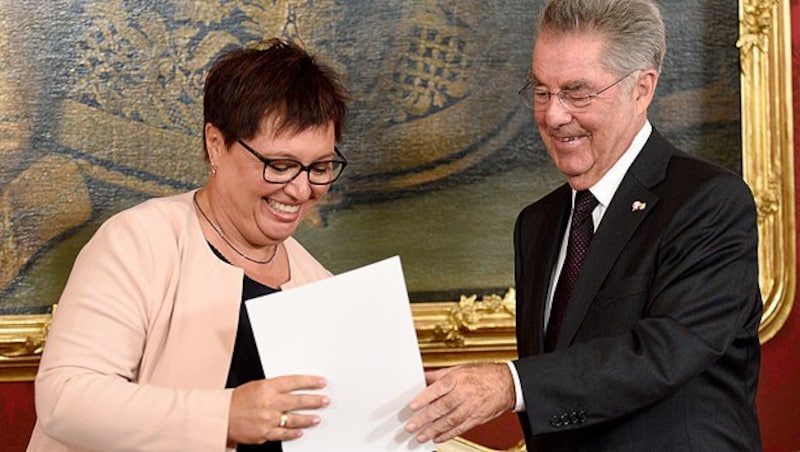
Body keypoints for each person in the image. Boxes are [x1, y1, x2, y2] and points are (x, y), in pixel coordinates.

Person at [405, 0, 763, 450]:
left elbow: (659, 354)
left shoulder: (708, 203)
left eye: (578, 93)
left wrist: (508, 385)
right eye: (541, 91)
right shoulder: (537, 223)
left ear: (642, 89)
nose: (553, 116)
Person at [27, 38, 351, 451]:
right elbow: (66, 400)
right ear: (216, 144)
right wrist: (226, 416)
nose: (302, 189)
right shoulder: (137, 241)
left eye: (320, 167)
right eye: (280, 165)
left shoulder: (320, 285)